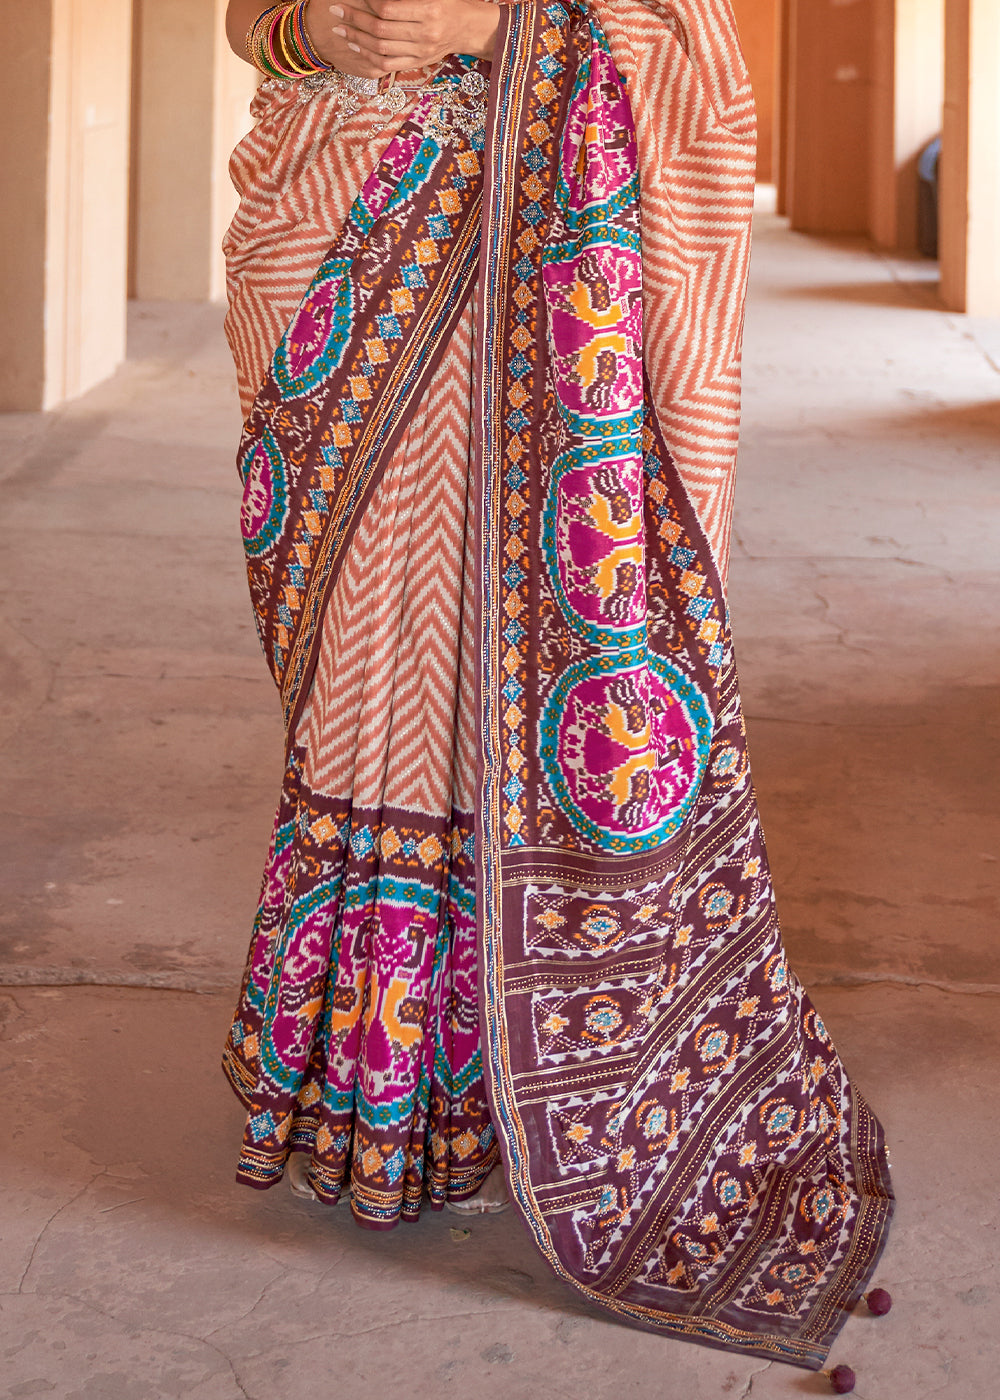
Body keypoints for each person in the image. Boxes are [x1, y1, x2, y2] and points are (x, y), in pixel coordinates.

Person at [221, 0, 893, 1368]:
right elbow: (250, 26)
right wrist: (320, 36)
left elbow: (686, 38)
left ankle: (505, 1094)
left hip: (551, 288)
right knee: (364, 681)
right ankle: (378, 1089)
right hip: (348, 259)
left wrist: (506, 28)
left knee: (516, 703)